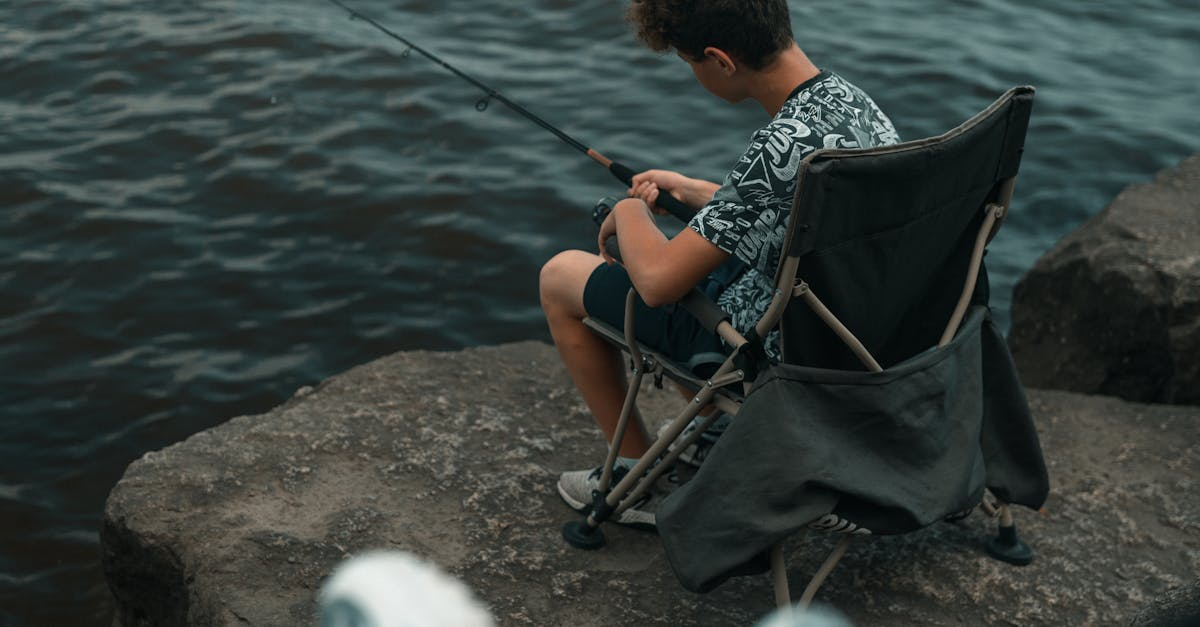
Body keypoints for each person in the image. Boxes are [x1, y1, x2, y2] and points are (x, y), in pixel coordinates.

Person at [539, 0, 901, 529]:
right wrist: (691, 190)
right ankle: (713, 432)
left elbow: (660, 282)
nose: (693, 73)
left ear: (720, 60)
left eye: (689, 62)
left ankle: (637, 473)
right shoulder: (848, 102)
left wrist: (630, 210)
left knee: (561, 276)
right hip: (858, 332)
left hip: (775, 347)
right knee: (694, 253)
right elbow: (787, 208)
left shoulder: (775, 147)